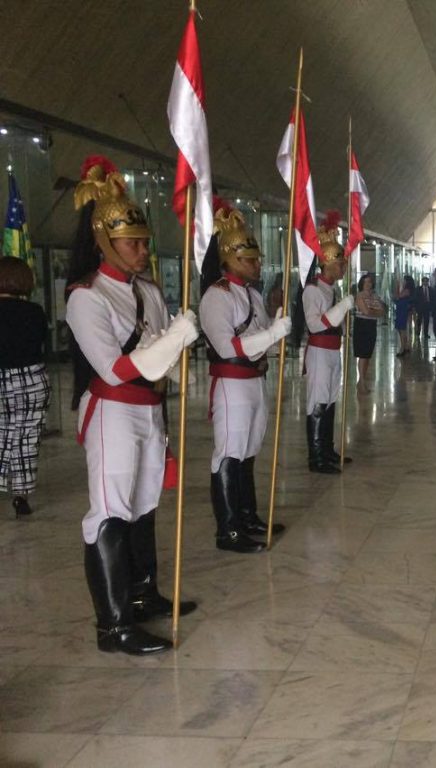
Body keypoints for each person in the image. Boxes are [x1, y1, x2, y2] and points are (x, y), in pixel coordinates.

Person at [66, 156, 199, 655]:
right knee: (110, 511)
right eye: (132, 242)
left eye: (144, 241)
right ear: (105, 240)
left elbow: (161, 360)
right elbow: (114, 369)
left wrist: (178, 349)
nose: (143, 250)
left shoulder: (148, 290)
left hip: (149, 409)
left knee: (144, 504)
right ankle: (114, 625)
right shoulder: (86, 297)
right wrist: (173, 340)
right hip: (114, 411)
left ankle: (143, 595)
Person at [200, 204, 292, 555]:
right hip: (232, 383)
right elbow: (228, 346)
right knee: (230, 452)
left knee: (250, 449)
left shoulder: (252, 294)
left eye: (257, 259)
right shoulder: (217, 295)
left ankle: (248, 516)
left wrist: (273, 331)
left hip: (254, 380)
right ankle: (228, 529)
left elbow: (260, 338)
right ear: (230, 259)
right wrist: (271, 334)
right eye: (249, 260)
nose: (257, 265)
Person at [302, 214, 356, 474]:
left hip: (333, 350)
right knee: (318, 402)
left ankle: (326, 448)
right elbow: (315, 324)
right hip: (319, 352)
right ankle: (316, 457)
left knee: (331, 399)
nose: (343, 269)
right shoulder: (313, 289)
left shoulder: (330, 289)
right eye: (340, 264)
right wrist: (344, 306)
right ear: (328, 263)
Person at [0, 257, 50, 518]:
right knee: (26, 439)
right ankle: (21, 496)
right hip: (32, 380)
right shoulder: (35, 311)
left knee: (2, 434)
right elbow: (41, 342)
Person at [353, 273, 385, 393]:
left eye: (370, 282)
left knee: (367, 355)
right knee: (363, 354)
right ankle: (362, 382)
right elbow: (365, 311)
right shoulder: (359, 296)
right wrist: (373, 311)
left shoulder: (375, 296)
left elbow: (382, 311)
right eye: (366, 282)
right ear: (362, 283)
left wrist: (372, 312)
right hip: (361, 325)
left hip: (371, 325)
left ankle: (361, 380)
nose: (368, 284)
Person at [393, 275, 415, 356]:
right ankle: (405, 346)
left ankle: (402, 348)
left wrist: (397, 286)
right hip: (401, 309)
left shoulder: (407, 290)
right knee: (402, 329)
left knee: (402, 329)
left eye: (404, 280)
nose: (403, 281)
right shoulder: (408, 290)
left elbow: (397, 297)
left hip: (402, 310)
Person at [414, 276, 431, 341]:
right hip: (420, 307)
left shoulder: (430, 289)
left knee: (427, 321)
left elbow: (432, 298)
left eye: (427, 281)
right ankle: (418, 332)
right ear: (422, 282)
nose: (426, 283)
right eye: (424, 281)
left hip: (427, 307)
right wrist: (416, 307)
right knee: (419, 320)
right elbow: (416, 298)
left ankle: (426, 333)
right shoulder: (418, 289)